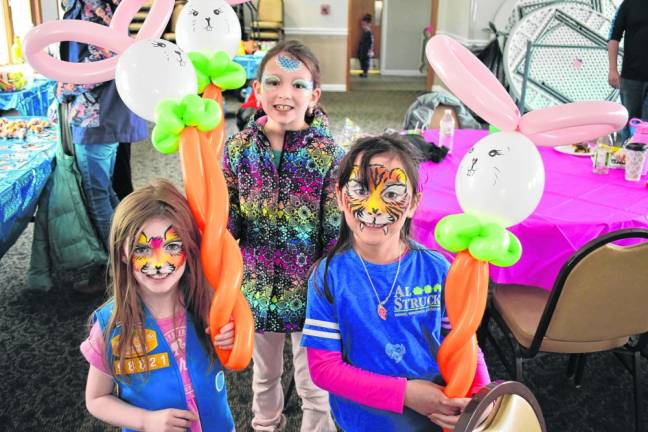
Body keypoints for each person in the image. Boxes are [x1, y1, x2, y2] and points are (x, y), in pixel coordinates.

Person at [301, 134, 491, 431]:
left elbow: (464, 343)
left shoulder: (438, 270)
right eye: (361, 189)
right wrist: (405, 394)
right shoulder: (326, 278)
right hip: (361, 422)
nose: (374, 207)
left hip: (431, 420)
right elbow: (324, 369)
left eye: (391, 194)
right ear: (340, 197)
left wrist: (480, 398)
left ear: (414, 203)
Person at [223, 40, 344, 432]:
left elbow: (333, 235)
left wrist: (332, 295)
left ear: (314, 96)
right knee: (264, 378)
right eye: (273, 82)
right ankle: (266, 426)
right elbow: (229, 225)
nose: (284, 94)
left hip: (312, 297)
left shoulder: (328, 155)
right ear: (256, 91)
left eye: (298, 85)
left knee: (314, 386)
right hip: (257, 290)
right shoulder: (239, 150)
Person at [80, 179, 236, 432]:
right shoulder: (111, 325)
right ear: (122, 252)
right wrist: (145, 421)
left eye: (172, 246)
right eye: (142, 248)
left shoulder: (209, 306)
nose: (158, 262)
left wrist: (231, 341)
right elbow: (96, 399)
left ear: (190, 247)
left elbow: (232, 363)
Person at [56, 0, 147, 247]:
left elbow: (104, 58)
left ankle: (119, 260)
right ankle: (130, 249)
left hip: (96, 117)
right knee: (106, 191)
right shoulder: (90, 6)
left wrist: (65, 88)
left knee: (98, 194)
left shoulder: (93, 9)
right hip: (102, 114)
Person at [608, 0, 648, 142]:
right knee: (629, 122)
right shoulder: (629, 4)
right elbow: (614, 37)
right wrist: (613, 69)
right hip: (631, 77)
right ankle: (628, 160)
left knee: (646, 127)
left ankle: (644, 162)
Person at [357, 14, 375, 78]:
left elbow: (371, 43)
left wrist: (370, 50)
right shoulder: (365, 32)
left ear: (369, 24)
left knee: (366, 62)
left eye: (364, 25)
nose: (362, 26)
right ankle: (364, 72)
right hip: (363, 50)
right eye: (362, 25)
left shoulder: (369, 33)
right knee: (362, 61)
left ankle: (365, 73)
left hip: (367, 50)